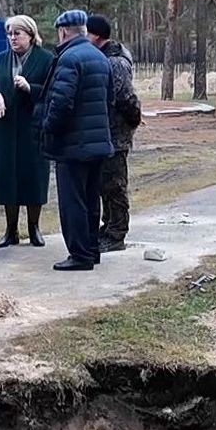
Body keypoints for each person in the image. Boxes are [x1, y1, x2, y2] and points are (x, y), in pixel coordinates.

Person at [35, 9, 113, 271]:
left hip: (73, 145)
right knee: (91, 200)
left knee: (73, 202)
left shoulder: (69, 59)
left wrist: (47, 128)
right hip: (99, 142)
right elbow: (109, 101)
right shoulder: (100, 57)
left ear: (64, 32)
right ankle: (91, 250)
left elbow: (61, 102)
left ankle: (79, 255)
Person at [0, 15, 53, 247]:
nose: (13, 38)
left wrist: (30, 87)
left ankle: (34, 228)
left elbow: (53, 90)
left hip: (32, 128)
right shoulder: (2, 60)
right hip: (6, 128)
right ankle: (10, 230)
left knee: (33, 177)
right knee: (7, 177)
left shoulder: (46, 59)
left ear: (30, 36)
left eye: (17, 34)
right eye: (10, 34)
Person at [86, 15, 141, 253]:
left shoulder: (116, 63)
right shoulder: (104, 58)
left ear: (96, 36)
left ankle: (117, 233)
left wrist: (133, 120)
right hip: (106, 132)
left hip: (116, 134)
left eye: (86, 33)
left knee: (115, 186)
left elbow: (125, 98)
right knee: (104, 184)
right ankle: (108, 226)